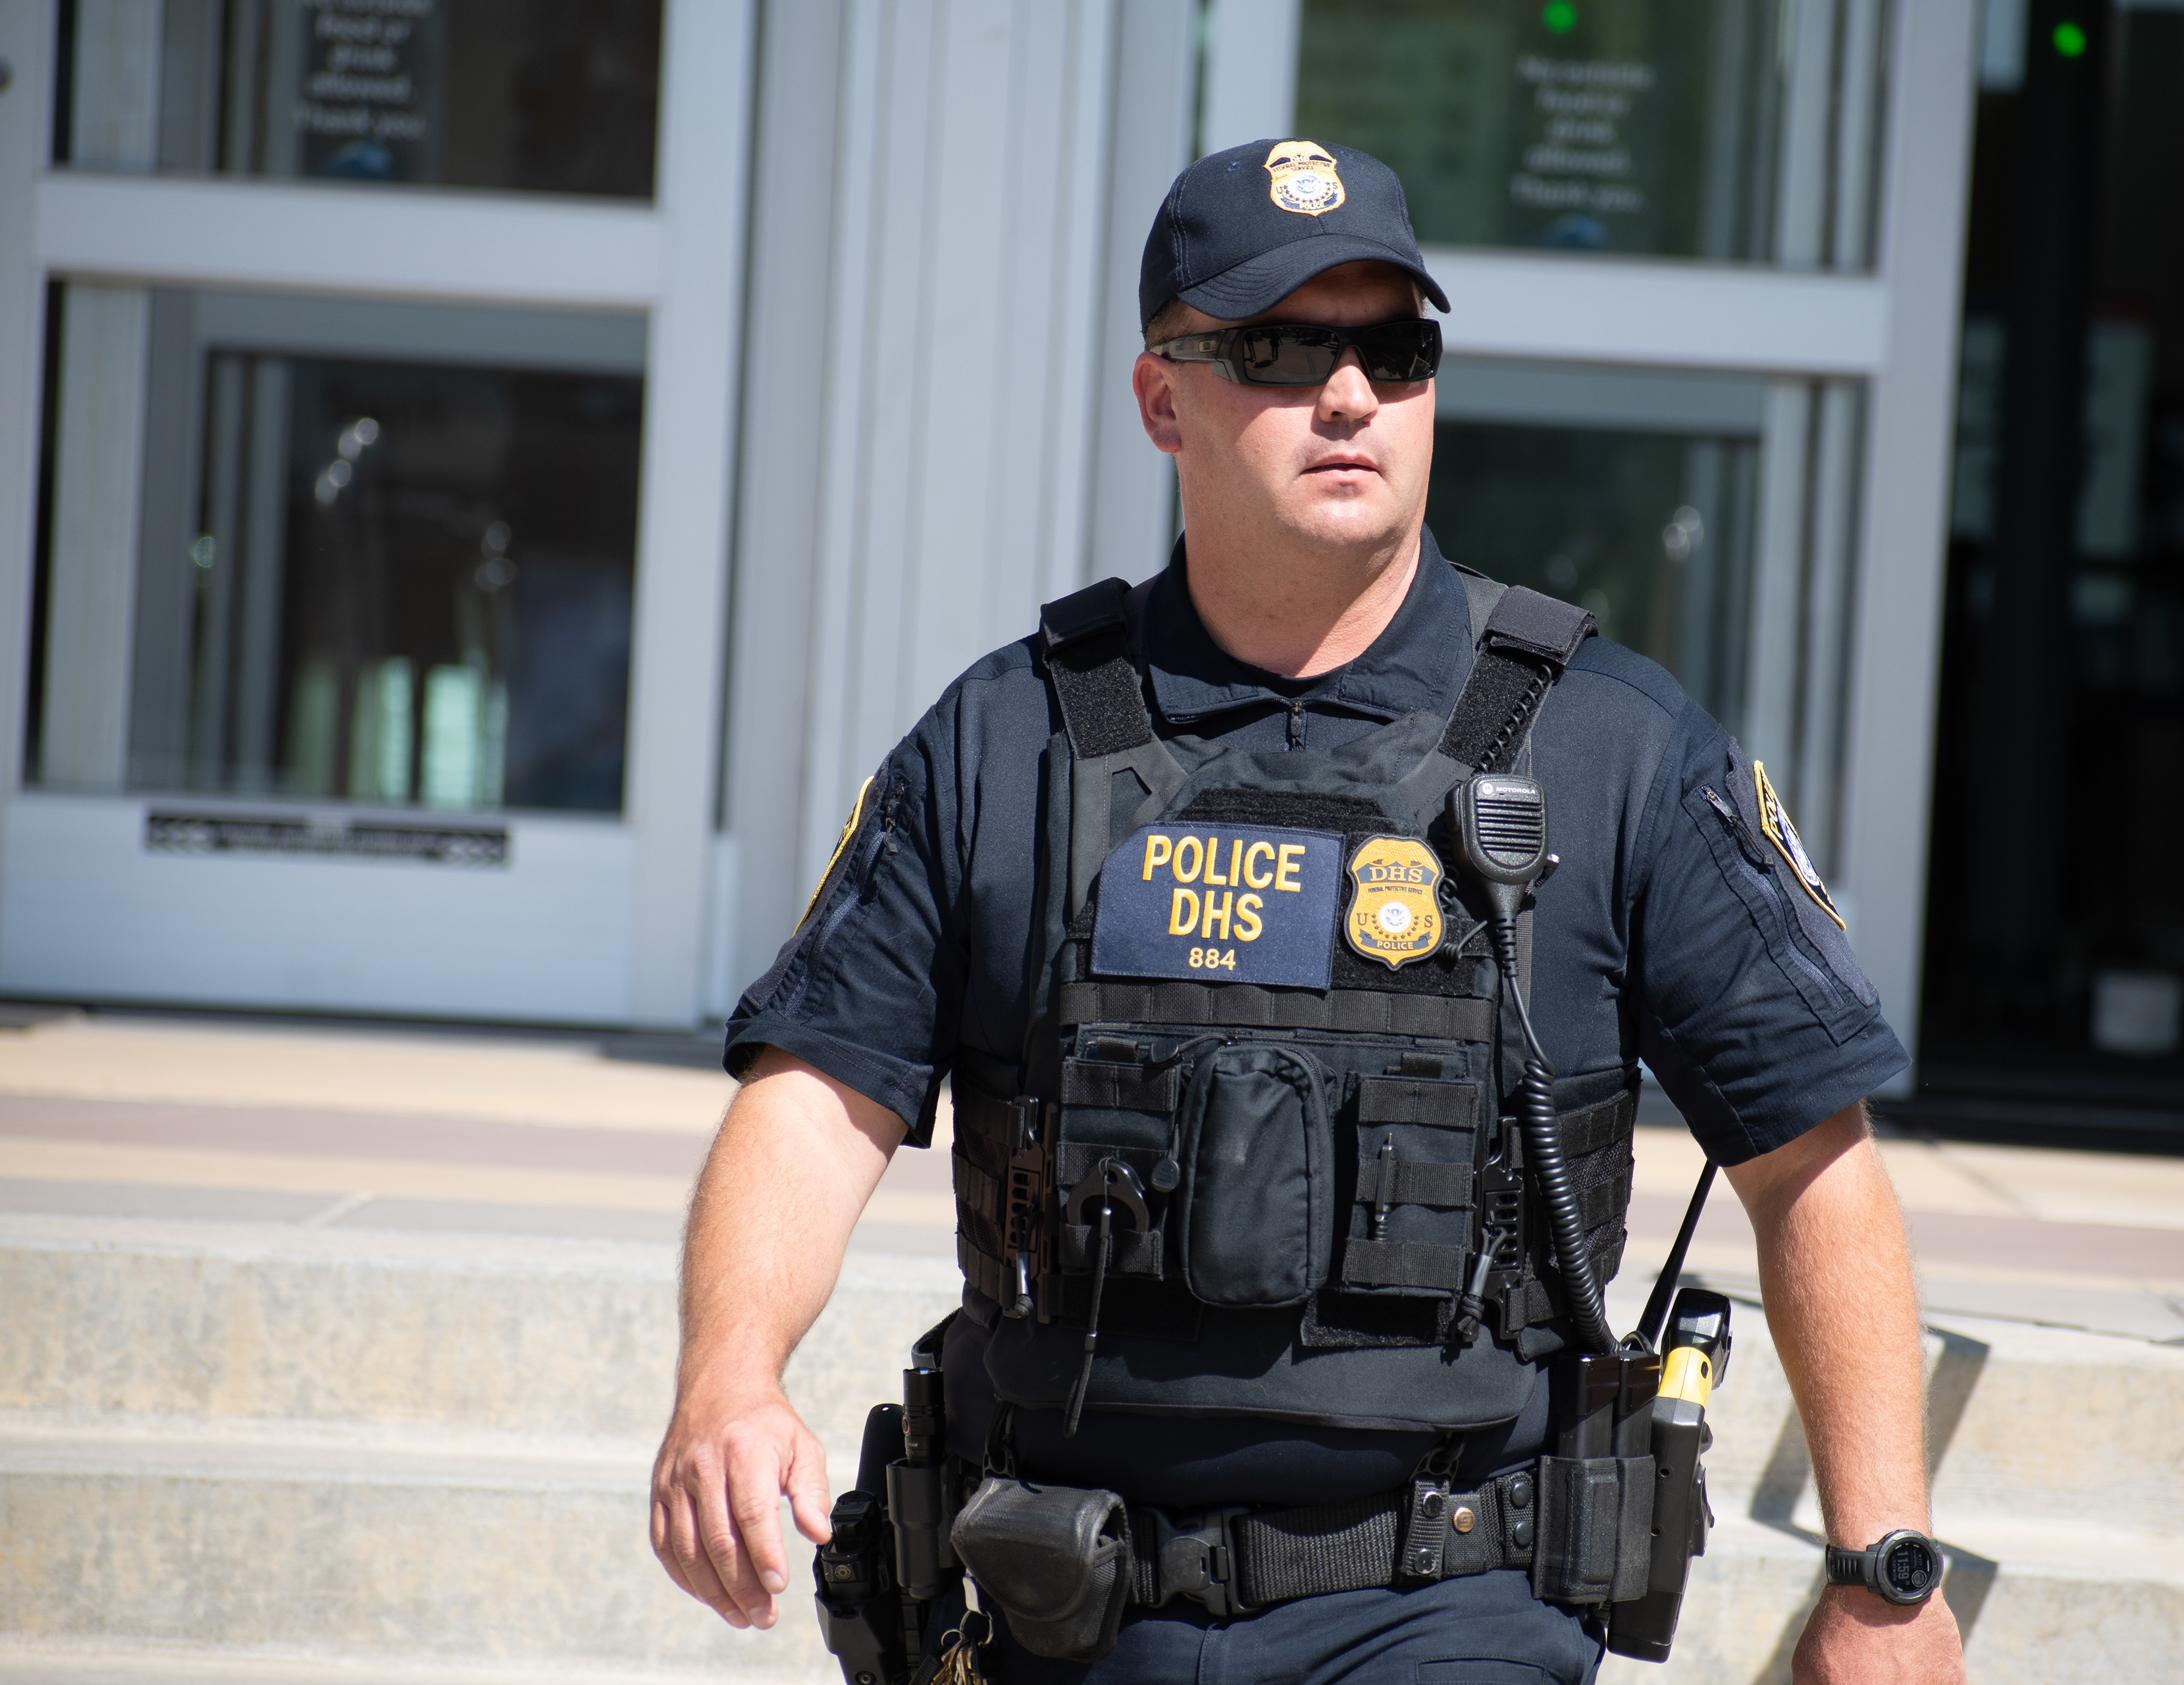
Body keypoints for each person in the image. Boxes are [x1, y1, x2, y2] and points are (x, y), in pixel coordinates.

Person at [652, 138, 1968, 1684]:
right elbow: (817, 1091)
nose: (1349, 394)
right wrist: (727, 1374)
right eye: (1278, 348)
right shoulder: (1008, 737)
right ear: (1165, 399)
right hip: (1058, 1598)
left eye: (1393, 350)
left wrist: (1884, 1572)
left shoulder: (1609, 745)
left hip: (1451, 1598)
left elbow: (1808, 1150)